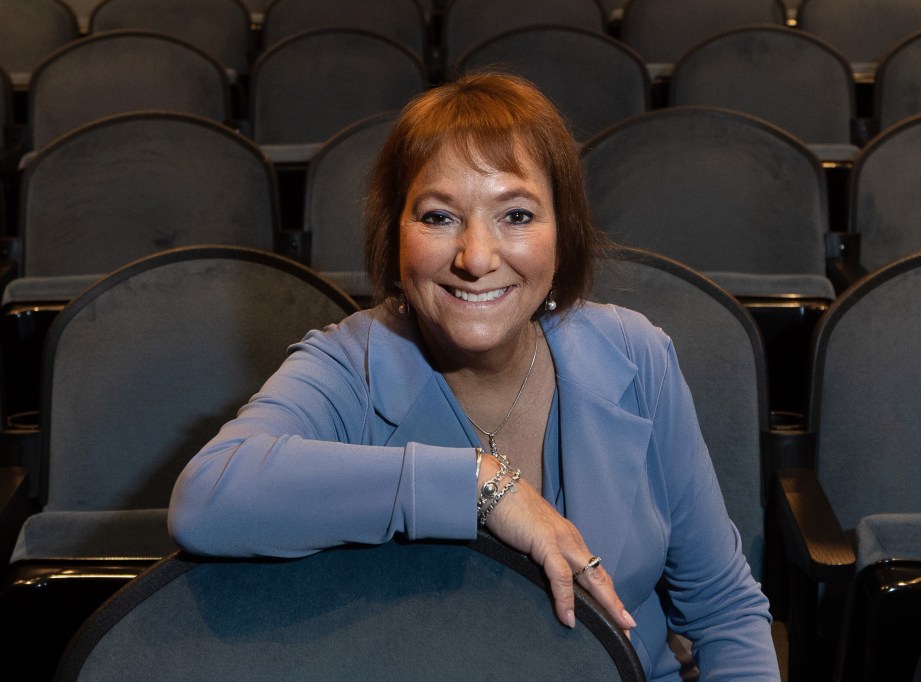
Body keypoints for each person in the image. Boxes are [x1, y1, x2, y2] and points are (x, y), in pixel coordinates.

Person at [168, 72, 779, 680]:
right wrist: (481, 486)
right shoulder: (349, 365)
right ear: (394, 234)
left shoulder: (636, 353)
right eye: (439, 217)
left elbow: (724, 610)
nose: (477, 258)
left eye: (516, 214)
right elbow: (206, 498)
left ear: (562, 233)